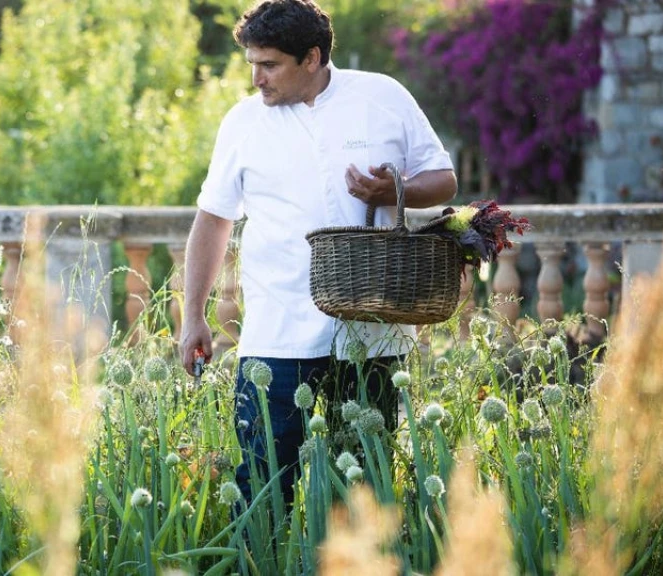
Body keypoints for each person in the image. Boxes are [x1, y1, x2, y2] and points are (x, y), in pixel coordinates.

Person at [178, 0, 457, 505]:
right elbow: (213, 218)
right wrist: (192, 315)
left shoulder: (382, 96)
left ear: (311, 57)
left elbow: (445, 180)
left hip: (372, 331)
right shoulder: (242, 122)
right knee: (262, 488)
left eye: (269, 65)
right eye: (252, 65)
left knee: (363, 492)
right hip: (276, 334)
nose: (257, 79)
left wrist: (392, 192)